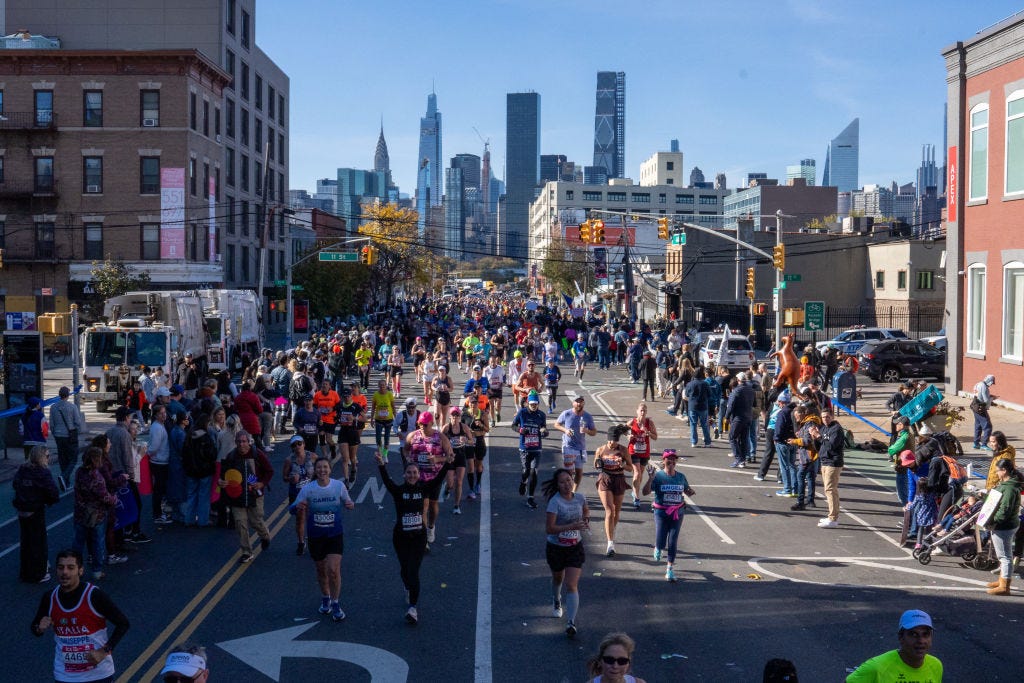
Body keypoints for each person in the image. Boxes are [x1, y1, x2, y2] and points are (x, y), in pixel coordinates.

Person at [376, 449, 453, 624]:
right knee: (405, 570)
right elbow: (387, 481)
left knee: (414, 571)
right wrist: (381, 464)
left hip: (418, 537)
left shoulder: (424, 489)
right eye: (409, 473)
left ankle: (413, 608)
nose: (412, 475)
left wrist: (448, 463)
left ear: (419, 475)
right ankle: (407, 587)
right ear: (404, 475)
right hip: (400, 537)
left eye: (415, 473)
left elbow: (439, 479)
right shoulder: (398, 491)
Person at [31, 548, 130, 683]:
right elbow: (35, 628)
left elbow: (123, 623)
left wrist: (104, 651)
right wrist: (39, 628)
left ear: (80, 570)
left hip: (98, 675)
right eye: (61, 568)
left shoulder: (94, 595)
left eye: (71, 568)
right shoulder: (49, 597)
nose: (65, 572)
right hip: (64, 675)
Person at [292, 456, 355, 622]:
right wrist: (298, 507)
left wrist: (349, 504)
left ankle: (335, 603)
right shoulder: (308, 489)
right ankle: (325, 598)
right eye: (319, 468)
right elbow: (293, 508)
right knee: (321, 570)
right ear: (315, 470)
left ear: (330, 469)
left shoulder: (338, 486)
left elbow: (348, 501)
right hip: (316, 536)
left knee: (333, 570)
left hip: (334, 534)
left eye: (325, 467)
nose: (322, 470)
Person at [543, 468, 589, 639]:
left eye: (569, 480)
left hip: (574, 547)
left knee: (571, 584)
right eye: (562, 482)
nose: (566, 485)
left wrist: (585, 520)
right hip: (556, 547)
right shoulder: (554, 502)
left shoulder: (580, 497)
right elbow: (550, 528)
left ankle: (571, 622)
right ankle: (556, 600)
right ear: (557, 485)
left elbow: (585, 511)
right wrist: (571, 527)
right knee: (558, 578)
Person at [218, 431, 273, 563]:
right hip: (237, 495)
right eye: (239, 442)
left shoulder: (257, 454)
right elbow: (223, 476)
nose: (241, 444)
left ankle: (265, 536)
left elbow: (270, 471)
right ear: (236, 443)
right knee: (240, 522)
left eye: (244, 441)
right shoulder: (231, 456)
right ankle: (246, 551)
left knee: (255, 521)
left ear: (249, 442)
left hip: (254, 492)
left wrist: (261, 483)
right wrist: (221, 482)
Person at [642, 449, 695, 582]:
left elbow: (686, 490)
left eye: (673, 459)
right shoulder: (658, 476)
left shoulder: (681, 477)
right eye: (668, 459)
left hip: (678, 512)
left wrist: (690, 491)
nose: (671, 461)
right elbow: (645, 492)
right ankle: (658, 547)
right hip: (661, 512)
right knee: (661, 540)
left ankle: (669, 569)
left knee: (673, 541)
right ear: (663, 460)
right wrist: (650, 479)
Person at [846, 610, 942, 682]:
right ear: (901, 637)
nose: (921, 641)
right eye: (913, 634)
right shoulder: (876, 668)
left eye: (926, 634)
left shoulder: (936, 666)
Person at [405, 412, 455, 546]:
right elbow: (405, 450)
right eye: (419, 424)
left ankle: (431, 527)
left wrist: (438, 459)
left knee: (432, 505)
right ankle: (423, 538)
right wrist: (408, 460)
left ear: (431, 424)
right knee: (423, 507)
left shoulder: (441, 438)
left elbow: (451, 456)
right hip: (418, 478)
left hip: (434, 477)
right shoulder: (412, 436)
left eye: (425, 425)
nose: (422, 427)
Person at [13, 445, 60, 582]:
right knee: (38, 543)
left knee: (26, 542)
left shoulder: (22, 469)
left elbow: (16, 484)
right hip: (35, 509)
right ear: (41, 457)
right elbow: (52, 492)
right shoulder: (42, 472)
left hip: (22, 509)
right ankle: (38, 573)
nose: (48, 458)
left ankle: (26, 571)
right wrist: (48, 500)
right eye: (47, 455)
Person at [72, 447, 118, 580]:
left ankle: (75, 567)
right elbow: (104, 496)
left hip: (80, 512)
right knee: (97, 542)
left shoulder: (79, 472)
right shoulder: (96, 477)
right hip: (96, 514)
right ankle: (97, 570)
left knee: (78, 542)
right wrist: (114, 499)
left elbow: (77, 491)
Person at [594, 424, 633, 557]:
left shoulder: (623, 450)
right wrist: (599, 463)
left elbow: (630, 468)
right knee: (609, 510)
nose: (612, 443)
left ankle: (611, 529)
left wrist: (622, 464)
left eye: (615, 440)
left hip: (619, 479)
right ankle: (610, 543)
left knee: (616, 511)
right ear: (607, 438)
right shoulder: (600, 449)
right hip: (605, 479)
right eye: (611, 440)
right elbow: (595, 464)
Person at [985, 458, 1023, 596]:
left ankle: (1004, 586)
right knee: (1005, 555)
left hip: (1003, 526)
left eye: (997, 471)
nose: (996, 473)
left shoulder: (1009, 488)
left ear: (1004, 471)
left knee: (1005, 557)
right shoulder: (1010, 485)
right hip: (1009, 524)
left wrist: (993, 521)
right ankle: (1002, 580)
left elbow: (1005, 509)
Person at [512, 391, 548, 509]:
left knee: (534, 473)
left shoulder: (541, 415)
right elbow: (513, 425)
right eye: (531, 404)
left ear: (538, 404)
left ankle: (530, 498)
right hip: (525, 448)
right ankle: (523, 482)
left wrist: (544, 431)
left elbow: (543, 427)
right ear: (527, 403)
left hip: (536, 448)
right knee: (526, 471)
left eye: (535, 404)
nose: (533, 406)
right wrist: (520, 430)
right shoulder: (522, 413)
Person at [181, 413, 218, 527]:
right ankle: (203, 520)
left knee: (191, 495)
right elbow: (212, 454)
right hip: (205, 471)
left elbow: (184, 453)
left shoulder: (189, 436)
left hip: (191, 471)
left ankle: (189, 519)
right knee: (203, 496)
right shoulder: (206, 437)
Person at [555, 395, 598, 491]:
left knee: (579, 472)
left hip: (580, 448)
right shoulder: (566, 414)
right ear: (573, 403)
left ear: (584, 403)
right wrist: (565, 430)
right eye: (577, 401)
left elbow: (594, 432)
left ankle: (573, 491)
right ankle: (567, 491)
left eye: (581, 401)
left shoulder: (587, 417)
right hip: (568, 447)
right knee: (569, 473)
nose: (579, 404)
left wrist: (587, 431)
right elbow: (556, 424)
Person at [283, 435, 315, 555]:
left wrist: (318, 479)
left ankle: (312, 540)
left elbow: (324, 468)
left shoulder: (312, 456)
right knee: (300, 518)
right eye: (294, 445)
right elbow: (284, 477)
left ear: (304, 444)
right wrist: (291, 478)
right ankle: (301, 542)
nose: (297, 447)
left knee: (312, 518)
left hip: (312, 492)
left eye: (299, 443)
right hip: (297, 493)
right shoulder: (289, 460)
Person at [50, 386, 85, 490]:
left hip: (58, 435)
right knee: (73, 458)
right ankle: (64, 476)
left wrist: (55, 433)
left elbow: (52, 423)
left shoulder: (53, 407)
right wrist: (77, 432)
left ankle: (65, 480)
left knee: (62, 457)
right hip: (70, 435)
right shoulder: (72, 407)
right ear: (68, 395)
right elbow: (78, 422)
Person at [814, 409, 845, 528]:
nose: (825, 419)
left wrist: (819, 437)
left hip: (834, 462)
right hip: (824, 461)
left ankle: (833, 518)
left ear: (832, 416)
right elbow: (820, 446)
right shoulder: (823, 428)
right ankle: (832, 516)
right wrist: (815, 436)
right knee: (830, 489)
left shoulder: (836, 429)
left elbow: (831, 446)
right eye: (823, 417)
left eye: (827, 417)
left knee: (830, 489)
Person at [627, 403, 658, 510]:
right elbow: (623, 431)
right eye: (641, 410)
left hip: (644, 452)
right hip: (633, 451)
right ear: (637, 411)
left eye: (644, 410)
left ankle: (634, 491)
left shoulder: (650, 423)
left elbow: (655, 437)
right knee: (637, 473)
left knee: (640, 475)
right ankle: (636, 497)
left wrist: (648, 433)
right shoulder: (632, 422)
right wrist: (629, 435)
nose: (642, 412)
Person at [441, 407, 471, 514]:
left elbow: (472, 441)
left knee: (459, 481)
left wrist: (466, 440)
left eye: (457, 416)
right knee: (450, 483)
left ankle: (456, 506)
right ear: (450, 417)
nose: (455, 418)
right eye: (453, 416)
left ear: (460, 417)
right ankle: (447, 489)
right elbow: (439, 442)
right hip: (450, 457)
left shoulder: (464, 428)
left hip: (460, 456)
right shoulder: (446, 428)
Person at [725, 372, 755, 468]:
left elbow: (730, 406)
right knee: (744, 439)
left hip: (738, 417)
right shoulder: (750, 389)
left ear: (738, 380)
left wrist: (726, 417)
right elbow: (754, 403)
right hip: (748, 416)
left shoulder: (737, 391)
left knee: (732, 437)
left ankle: (739, 458)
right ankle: (742, 459)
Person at [370, 378, 396, 462]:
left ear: (386, 386)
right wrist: (371, 419)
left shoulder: (389, 394)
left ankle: (385, 455)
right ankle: (380, 453)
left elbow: (393, 406)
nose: (382, 387)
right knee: (378, 438)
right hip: (378, 419)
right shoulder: (375, 395)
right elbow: (373, 408)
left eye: (383, 385)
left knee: (387, 438)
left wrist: (396, 418)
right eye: (380, 385)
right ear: (378, 386)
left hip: (388, 419)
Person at [971, 374, 996, 450]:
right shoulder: (984, 387)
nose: (991, 384)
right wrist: (992, 398)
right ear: (989, 381)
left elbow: (977, 395)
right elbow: (985, 400)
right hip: (981, 408)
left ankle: (976, 443)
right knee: (988, 427)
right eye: (991, 382)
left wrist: (990, 396)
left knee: (978, 425)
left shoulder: (978, 384)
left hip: (974, 406)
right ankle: (984, 444)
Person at [20, 396, 48, 460]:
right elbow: (45, 430)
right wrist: (44, 437)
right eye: (39, 403)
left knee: (28, 462)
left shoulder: (24, 416)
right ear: (36, 405)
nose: (40, 404)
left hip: (27, 443)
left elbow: (21, 431)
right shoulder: (40, 415)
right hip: (39, 443)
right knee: (39, 463)